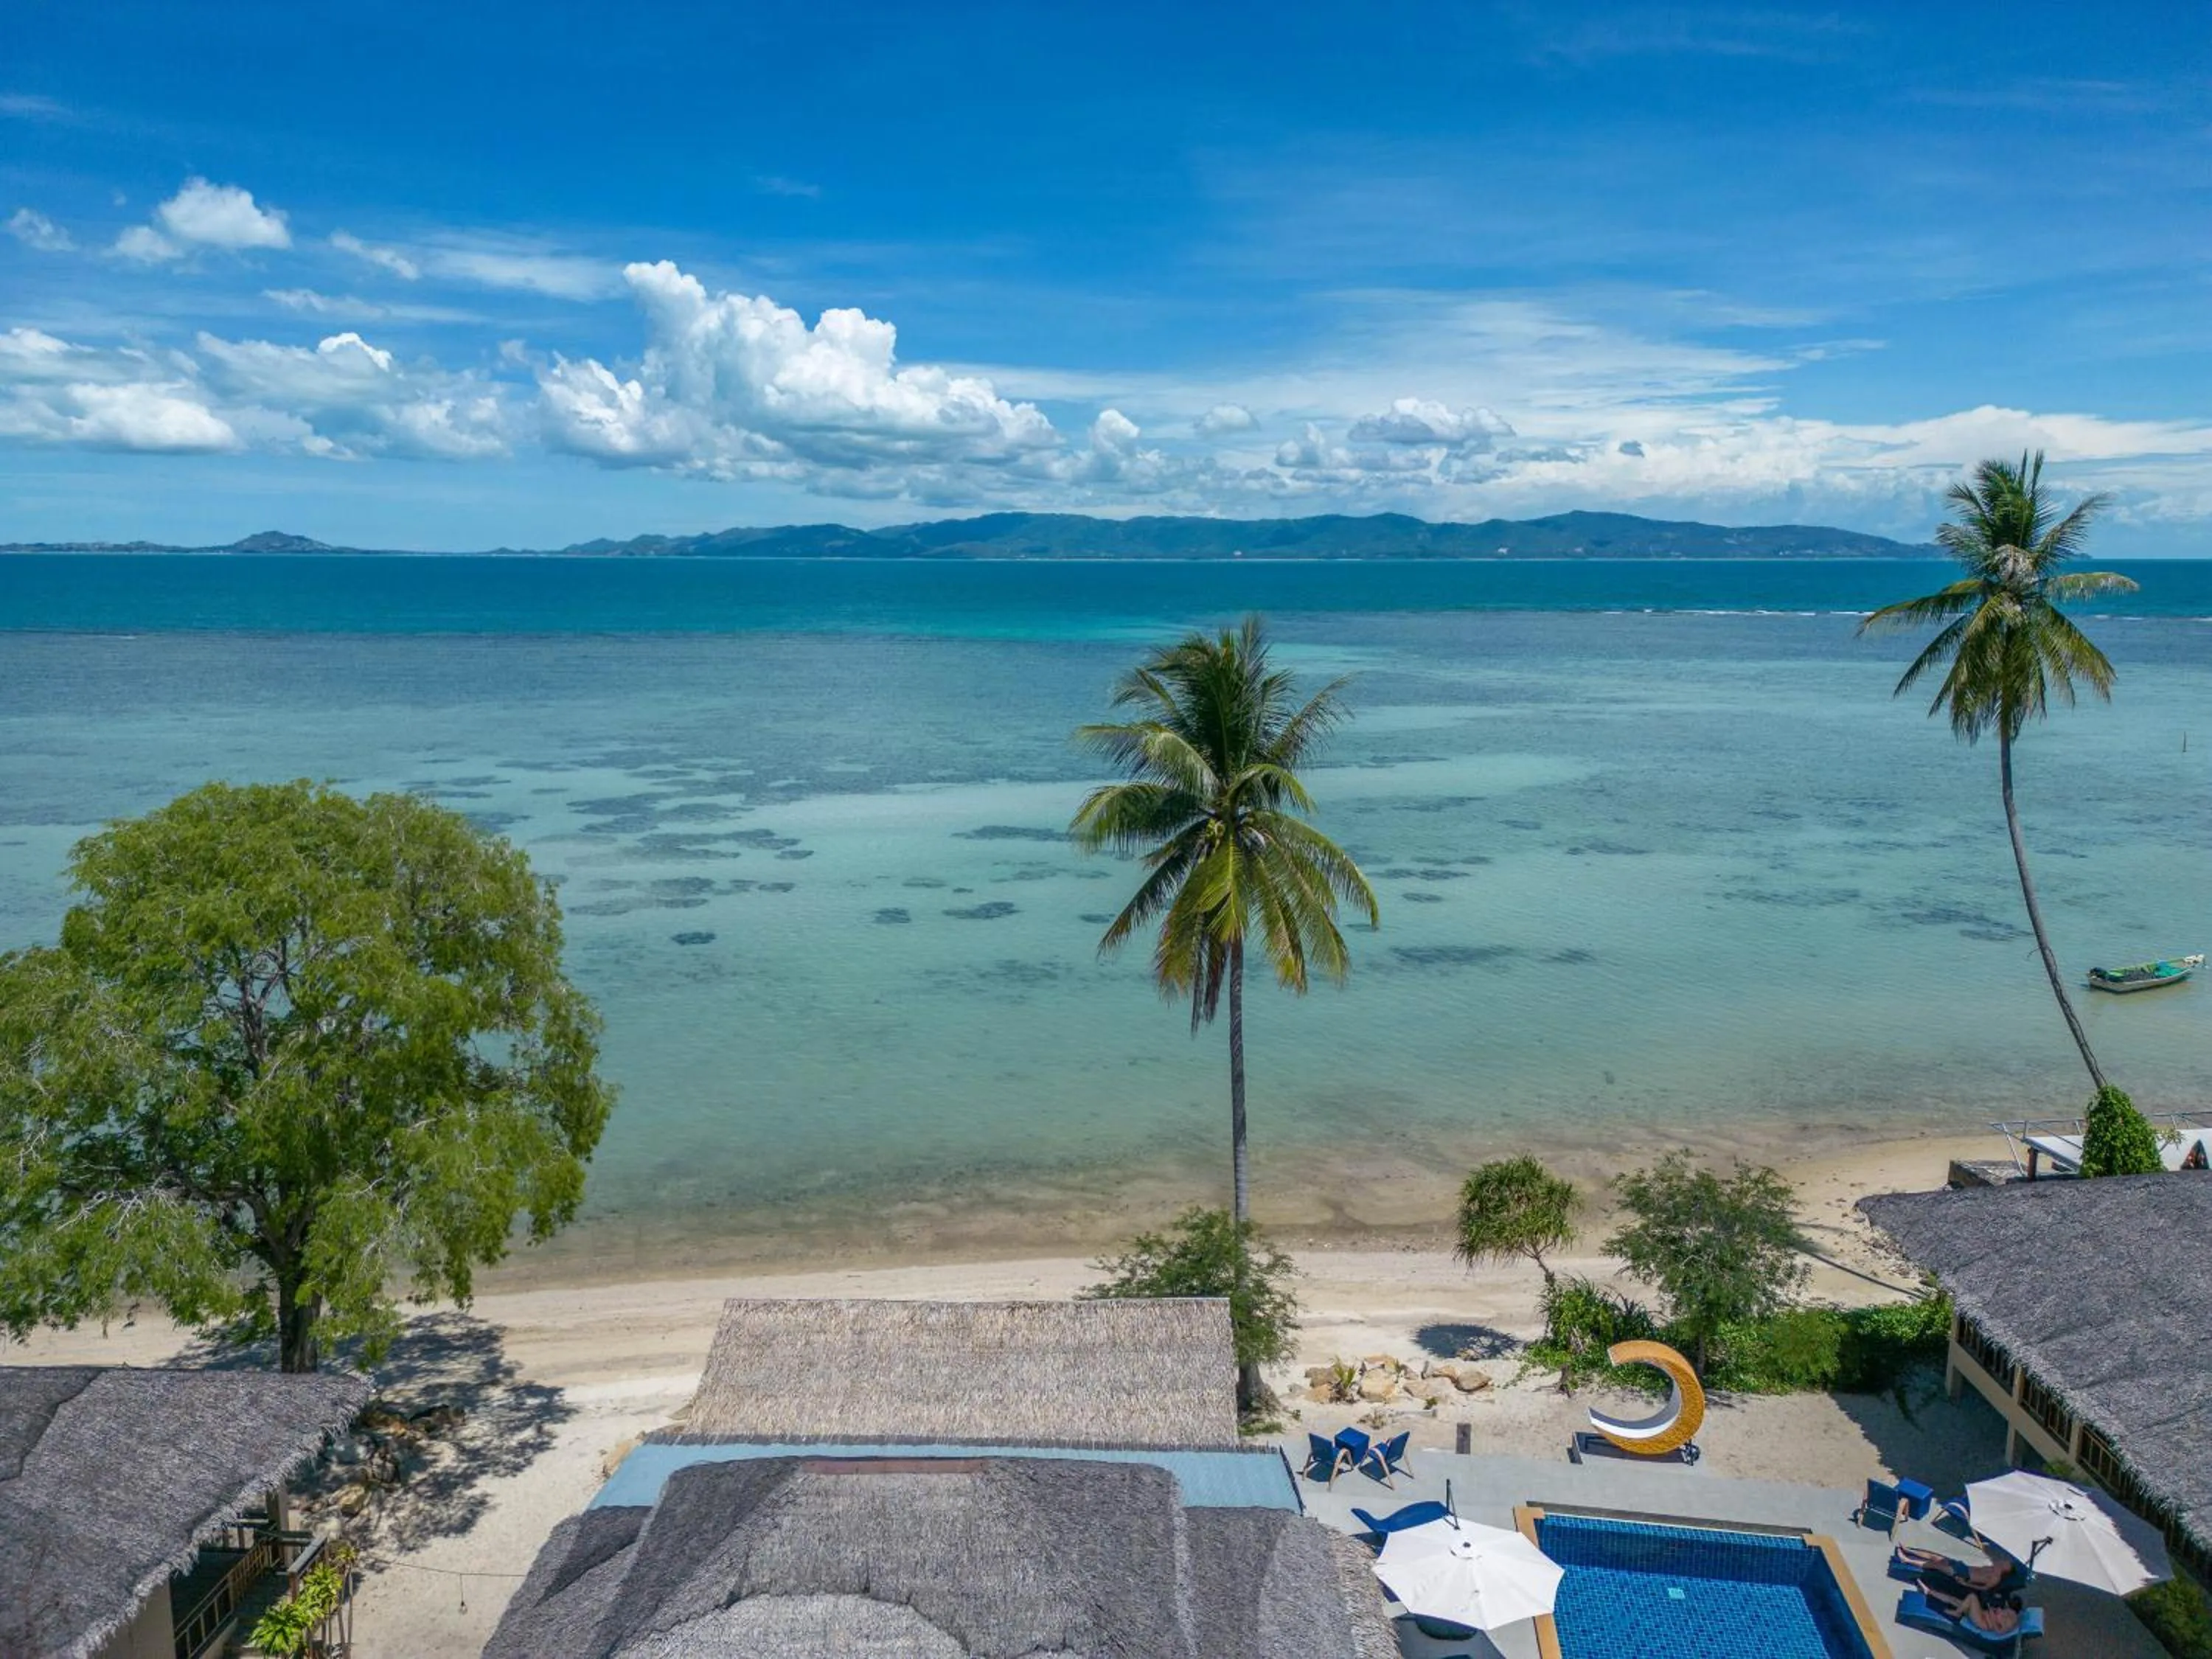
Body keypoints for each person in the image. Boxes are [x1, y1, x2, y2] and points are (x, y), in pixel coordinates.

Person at [1893, 1542, 2017, 1595]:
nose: (2003, 1562)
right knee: (1935, 1557)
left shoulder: (1995, 1578)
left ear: (2006, 1570)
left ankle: (1906, 1560)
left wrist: (1966, 1584)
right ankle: (1909, 1550)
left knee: (1934, 1565)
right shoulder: (1993, 1567)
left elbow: (1984, 1588)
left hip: (1962, 1574)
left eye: (2005, 1564)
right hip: (1963, 1566)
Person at [1926, 1585, 2024, 1638]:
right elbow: (1995, 1611)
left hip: (1982, 1621)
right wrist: (1992, 1611)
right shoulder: (2008, 1611)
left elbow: (2000, 1631)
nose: (2005, 1606)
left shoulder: (2011, 1620)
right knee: (1955, 1601)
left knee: (1972, 1597)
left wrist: (1993, 1618)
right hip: (1982, 1614)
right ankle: (1930, 1592)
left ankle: (1957, 1613)